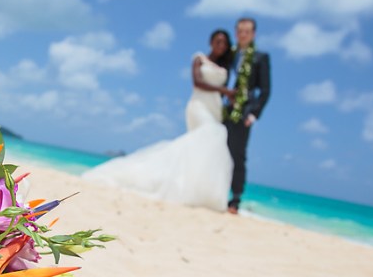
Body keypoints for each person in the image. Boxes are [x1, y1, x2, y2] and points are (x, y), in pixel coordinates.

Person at [82, 30, 235, 212]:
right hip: (199, 106)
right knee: (210, 135)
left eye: (224, 43)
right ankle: (181, 187)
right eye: (218, 41)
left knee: (204, 148)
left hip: (215, 109)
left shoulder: (226, 67)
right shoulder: (199, 59)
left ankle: (198, 191)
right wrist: (225, 91)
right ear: (211, 42)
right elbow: (197, 82)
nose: (221, 45)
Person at [224, 17, 270, 214]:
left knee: (237, 155)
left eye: (247, 31)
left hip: (243, 113)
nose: (243, 34)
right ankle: (216, 191)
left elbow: (266, 89)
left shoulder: (260, 57)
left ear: (253, 34)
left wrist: (254, 114)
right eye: (240, 30)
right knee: (218, 150)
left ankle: (235, 199)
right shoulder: (229, 55)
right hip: (223, 109)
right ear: (235, 32)